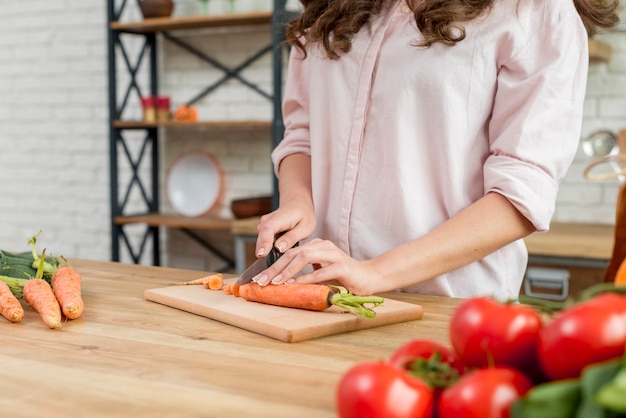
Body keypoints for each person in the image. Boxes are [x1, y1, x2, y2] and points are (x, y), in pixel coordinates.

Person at [250, 0, 620, 299]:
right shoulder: (328, 12)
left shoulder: (536, 11)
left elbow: (522, 193)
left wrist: (373, 272)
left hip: (450, 307)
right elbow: (303, 133)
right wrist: (299, 200)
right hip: (322, 295)